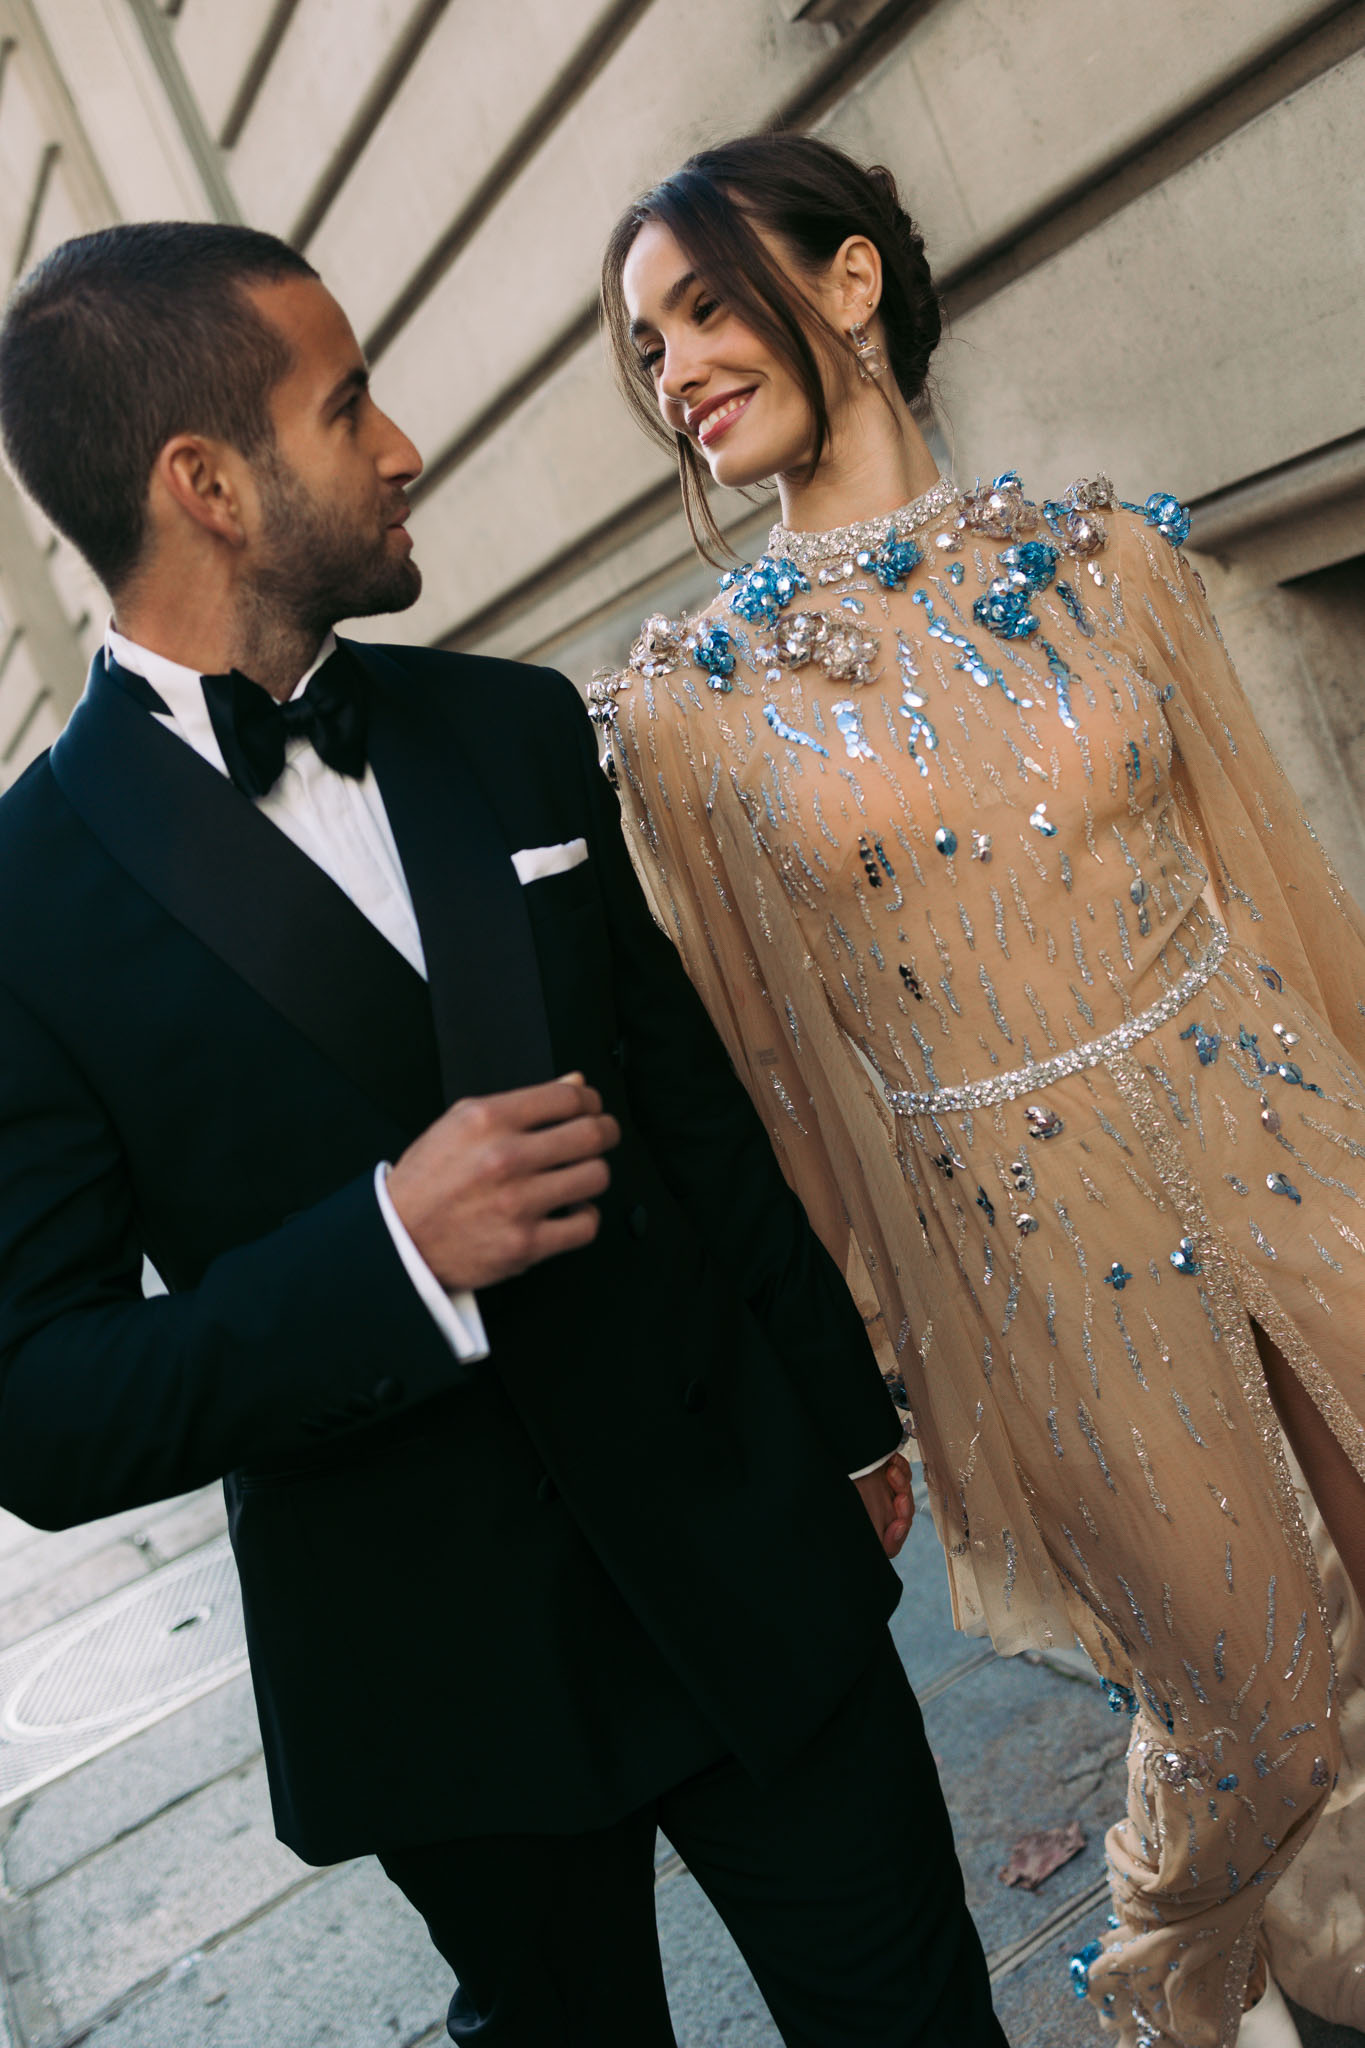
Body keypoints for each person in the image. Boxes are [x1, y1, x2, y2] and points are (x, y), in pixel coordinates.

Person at [0, 223, 1007, 2048]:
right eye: (350, 404)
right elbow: (41, 1403)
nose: (402, 450)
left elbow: (690, 1107)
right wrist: (383, 1253)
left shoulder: (514, 728)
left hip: (744, 1557)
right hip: (438, 1676)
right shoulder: (25, 900)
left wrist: (843, 1421)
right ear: (206, 485)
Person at [597, 132, 1365, 2048]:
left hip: (1286, 1134)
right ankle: (1180, 1980)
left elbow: (1275, 885)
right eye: (644, 345)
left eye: (702, 303)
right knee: (1245, 1689)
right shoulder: (691, 706)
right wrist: (863, 1364)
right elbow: (771, 1085)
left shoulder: (1109, 562)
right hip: (1043, 1250)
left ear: (847, 284)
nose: (674, 368)